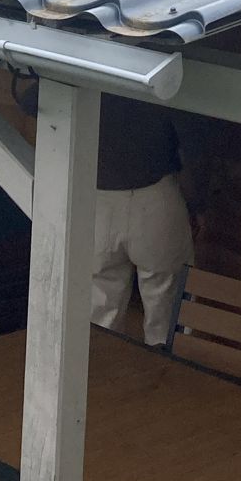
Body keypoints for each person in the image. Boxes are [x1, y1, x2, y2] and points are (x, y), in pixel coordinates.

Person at [91, 97, 207, 348]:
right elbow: (194, 147)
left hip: (98, 196)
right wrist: (197, 204)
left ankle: (99, 379)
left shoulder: (88, 66)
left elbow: (29, 101)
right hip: (155, 196)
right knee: (167, 310)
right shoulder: (164, 77)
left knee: (100, 311)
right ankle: (169, 379)